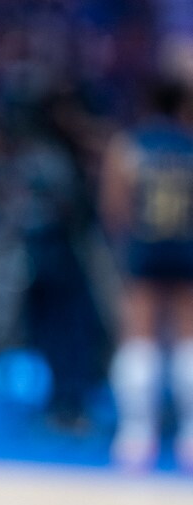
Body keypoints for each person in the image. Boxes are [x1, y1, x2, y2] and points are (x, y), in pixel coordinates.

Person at [101, 77, 193, 472]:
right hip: (186, 248)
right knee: (188, 336)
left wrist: (128, 240)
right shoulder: (189, 145)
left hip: (145, 247)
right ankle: (189, 434)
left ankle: (136, 435)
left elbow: (114, 206)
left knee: (138, 335)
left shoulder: (130, 146)